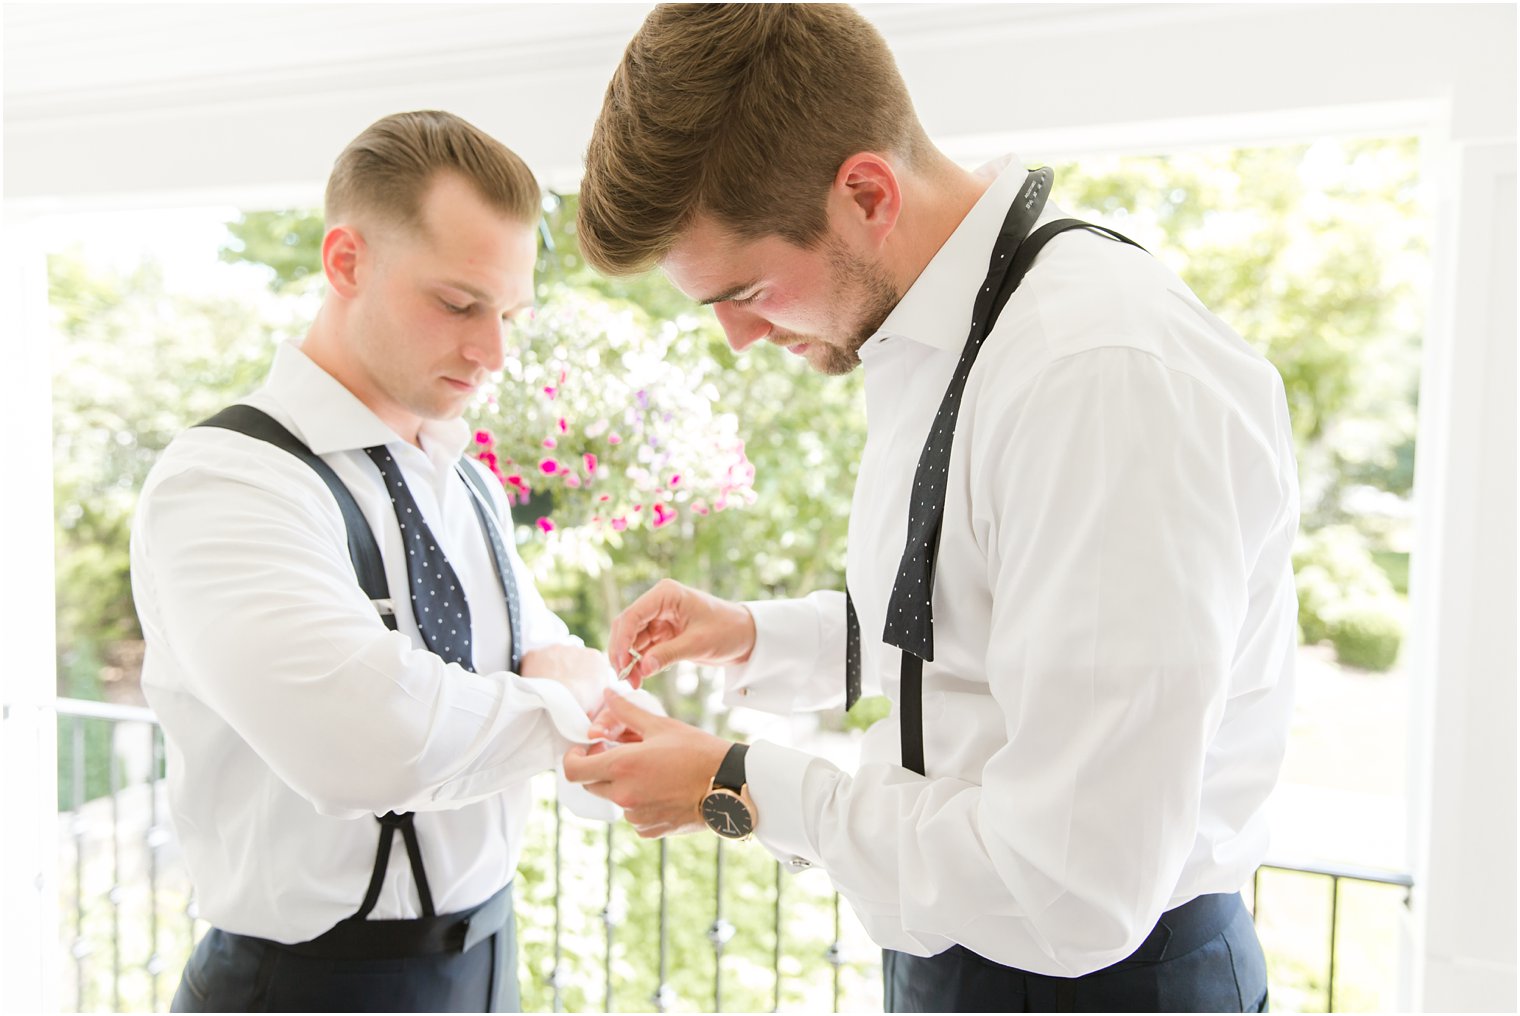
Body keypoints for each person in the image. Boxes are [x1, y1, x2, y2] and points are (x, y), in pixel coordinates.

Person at [562, 5, 1297, 1012]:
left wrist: (733, 782)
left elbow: (1070, 889)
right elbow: (971, 627)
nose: (736, 337)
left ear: (864, 192)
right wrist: (751, 636)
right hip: (961, 953)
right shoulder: (941, 342)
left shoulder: (1093, 375)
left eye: (746, 290)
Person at [131, 110, 620, 1012]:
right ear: (346, 262)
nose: (494, 353)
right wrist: (567, 707)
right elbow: (370, 742)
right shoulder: (229, 482)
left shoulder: (460, 476)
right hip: (308, 988)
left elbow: (542, 653)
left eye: (510, 314)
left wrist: (561, 689)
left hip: (486, 965)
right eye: (459, 304)